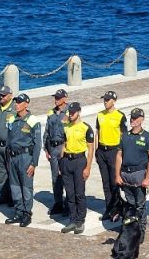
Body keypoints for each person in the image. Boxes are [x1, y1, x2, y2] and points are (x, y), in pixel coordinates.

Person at [116, 107, 149, 237]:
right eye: (131, 118)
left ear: (141, 119)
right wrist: (117, 174)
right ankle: (131, 228)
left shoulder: (148, 137)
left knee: (140, 205)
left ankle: (141, 231)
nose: (132, 120)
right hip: (126, 174)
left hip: (139, 174)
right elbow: (119, 156)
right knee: (130, 204)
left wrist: (148, 178)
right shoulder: (125, 136)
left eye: (135, 118)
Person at [5, 93, 42, 227]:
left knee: (26, 186)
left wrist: (34, 163)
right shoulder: (12, 119)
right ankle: (18, 211)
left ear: (26, 104)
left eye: (19, 102)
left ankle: (27, 213)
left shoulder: (33, 121)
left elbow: (38, 144)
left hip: (25, 157)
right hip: (13, 157)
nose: (16, 104)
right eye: (15, 102)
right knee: (14, 186)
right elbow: (8, 139)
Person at [60, 101, 95, 235]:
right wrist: (61, 162)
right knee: (69, 193)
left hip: (80, 161)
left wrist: (88, 168)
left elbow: (91, 149)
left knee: (79, 193)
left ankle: (80, 220)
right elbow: (64, 144)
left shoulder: (86, 128)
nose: (71, 115)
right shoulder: (66, 127)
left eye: (73, 113)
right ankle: (72, 219)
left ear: (79, 112)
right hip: (67, 161)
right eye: (70, 112)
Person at [96, 90, 127, 221]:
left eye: (107, 100)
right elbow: (97, 132)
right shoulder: (99, 115)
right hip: (102, 150)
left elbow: (124, 136)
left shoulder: (120, 116)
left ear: (114, 101)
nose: (105, 102)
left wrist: (122, 153)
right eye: (104, 99)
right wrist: (97, 150)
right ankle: (109, 209)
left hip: (114, 151)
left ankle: (117, 208)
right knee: (105, 183)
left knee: (114, 182)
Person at [45, 88, 70, 216]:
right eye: (55, 97)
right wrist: (46, 149)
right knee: (55, 178)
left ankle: (68, 204)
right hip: (53, 148)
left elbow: (72, 132)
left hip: (63, 147)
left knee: (65, 177)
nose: (56, 100)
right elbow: (47, 131)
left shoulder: (70, 112)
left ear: (65, 99)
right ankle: (58, 202)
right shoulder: (51, 113)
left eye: (59, 98)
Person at [0, 85, 17, 205]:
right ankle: (4, 194)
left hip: (9, 145)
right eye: (0, 95)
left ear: (10, 96)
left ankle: (13, 196)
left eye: (4, 95)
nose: (1, 97)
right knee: (1, 171)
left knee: (11, 172)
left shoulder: (14, 109)